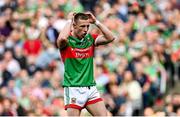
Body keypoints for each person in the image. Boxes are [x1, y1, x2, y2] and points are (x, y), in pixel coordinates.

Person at [56, 12, 116, 116]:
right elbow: (61, 39)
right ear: (74, 26)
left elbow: (110, 37)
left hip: (90, 88)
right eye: (82, 26)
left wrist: (96, 22)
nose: (85, 29)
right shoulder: (67, 41)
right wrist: (69, 20)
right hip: (73, 88)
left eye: (87, 26)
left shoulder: (90, 39)